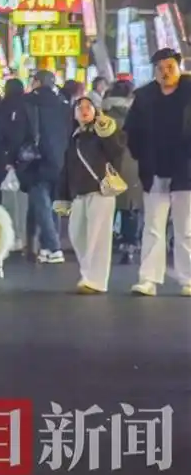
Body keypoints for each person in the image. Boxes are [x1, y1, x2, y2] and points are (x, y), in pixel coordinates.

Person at [125, 48, 191, 296]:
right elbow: (130, 130)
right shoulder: (144, 97)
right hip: (154, 170)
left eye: (170, 67)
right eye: (160, 69)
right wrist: (140, 155)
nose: (165, 73)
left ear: (179, 67)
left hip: (186, 169)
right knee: (153, 226)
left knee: (186, 228)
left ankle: (187, 279)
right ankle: (148, 279)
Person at [57, 96, 125, 294]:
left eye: (89, 107)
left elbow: (117, 152)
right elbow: (67, 168)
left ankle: (95, 280)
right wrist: (62, 196)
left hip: (100, 191)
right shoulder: (74, 136)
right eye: (80, 108)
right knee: (77, 234)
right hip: (79, 193)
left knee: (98, 237)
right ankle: (88, 274)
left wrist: (107, 132)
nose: (84, 111)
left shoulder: (103, 131)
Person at [17, 70, 72, 264]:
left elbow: (21, 132)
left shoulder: (28, 102)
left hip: (36, 159)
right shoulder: (64, 104)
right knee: (50, 204)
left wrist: (15, 157)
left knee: (42, 204)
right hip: (59, 159)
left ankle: (54, 247)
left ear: (37, 82)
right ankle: (46, 247)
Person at [101, 81, 143, 264]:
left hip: (106, 165)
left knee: (106, 207)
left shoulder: (103, 115)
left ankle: (104, 244)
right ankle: (130, 245)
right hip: (133, 164)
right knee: (130, 208)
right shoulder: (139, 114)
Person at [0, 78, 30, 248]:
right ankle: (22, 236)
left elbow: (4, 132)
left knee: (9, 200)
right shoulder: (27, 104)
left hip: (7, 157)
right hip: (25, 158)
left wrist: (8, 159)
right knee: (22, 200)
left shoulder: (4, 106)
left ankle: (12, 236)